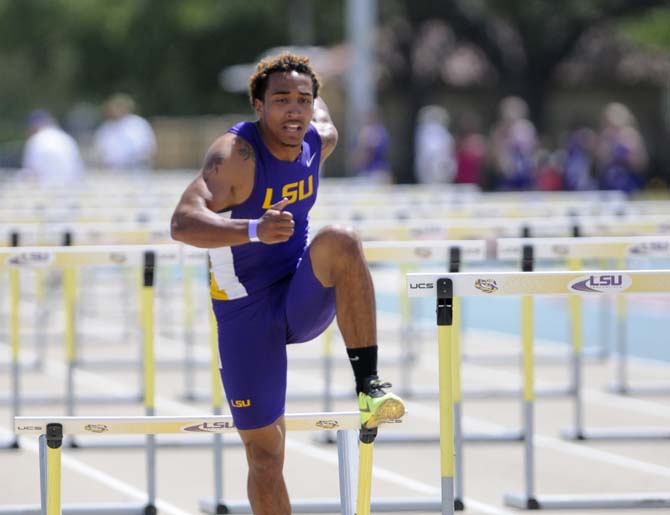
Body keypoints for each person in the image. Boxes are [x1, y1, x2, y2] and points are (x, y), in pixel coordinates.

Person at [170, 52, 405, 515]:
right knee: (264, 456)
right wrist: (253, 229)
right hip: (245, 311)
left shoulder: (319, 138)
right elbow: (181, 223)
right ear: (257, 106)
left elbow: (323, 114)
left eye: (302, 99)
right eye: (280, 100)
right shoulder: (235, 156)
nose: (293, 110)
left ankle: (369, 386)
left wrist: (323, 76)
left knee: (341, 240)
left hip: (300, 290)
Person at [20, 109, 84, 186]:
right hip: (72, 190)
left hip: (46, 191)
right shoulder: (66, 137)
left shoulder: (35, 140)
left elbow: (32, 173)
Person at [93, 93, 156, 170]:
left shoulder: (138, 124)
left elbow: (146, 147)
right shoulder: (106, 127)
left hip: (135, 168)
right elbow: (100, 150)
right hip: (111, 170)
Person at [414, 105, 456, 184]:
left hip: (441, 167)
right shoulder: (428, 132)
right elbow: (430, 151)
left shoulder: (440, 132)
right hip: (432, 168)